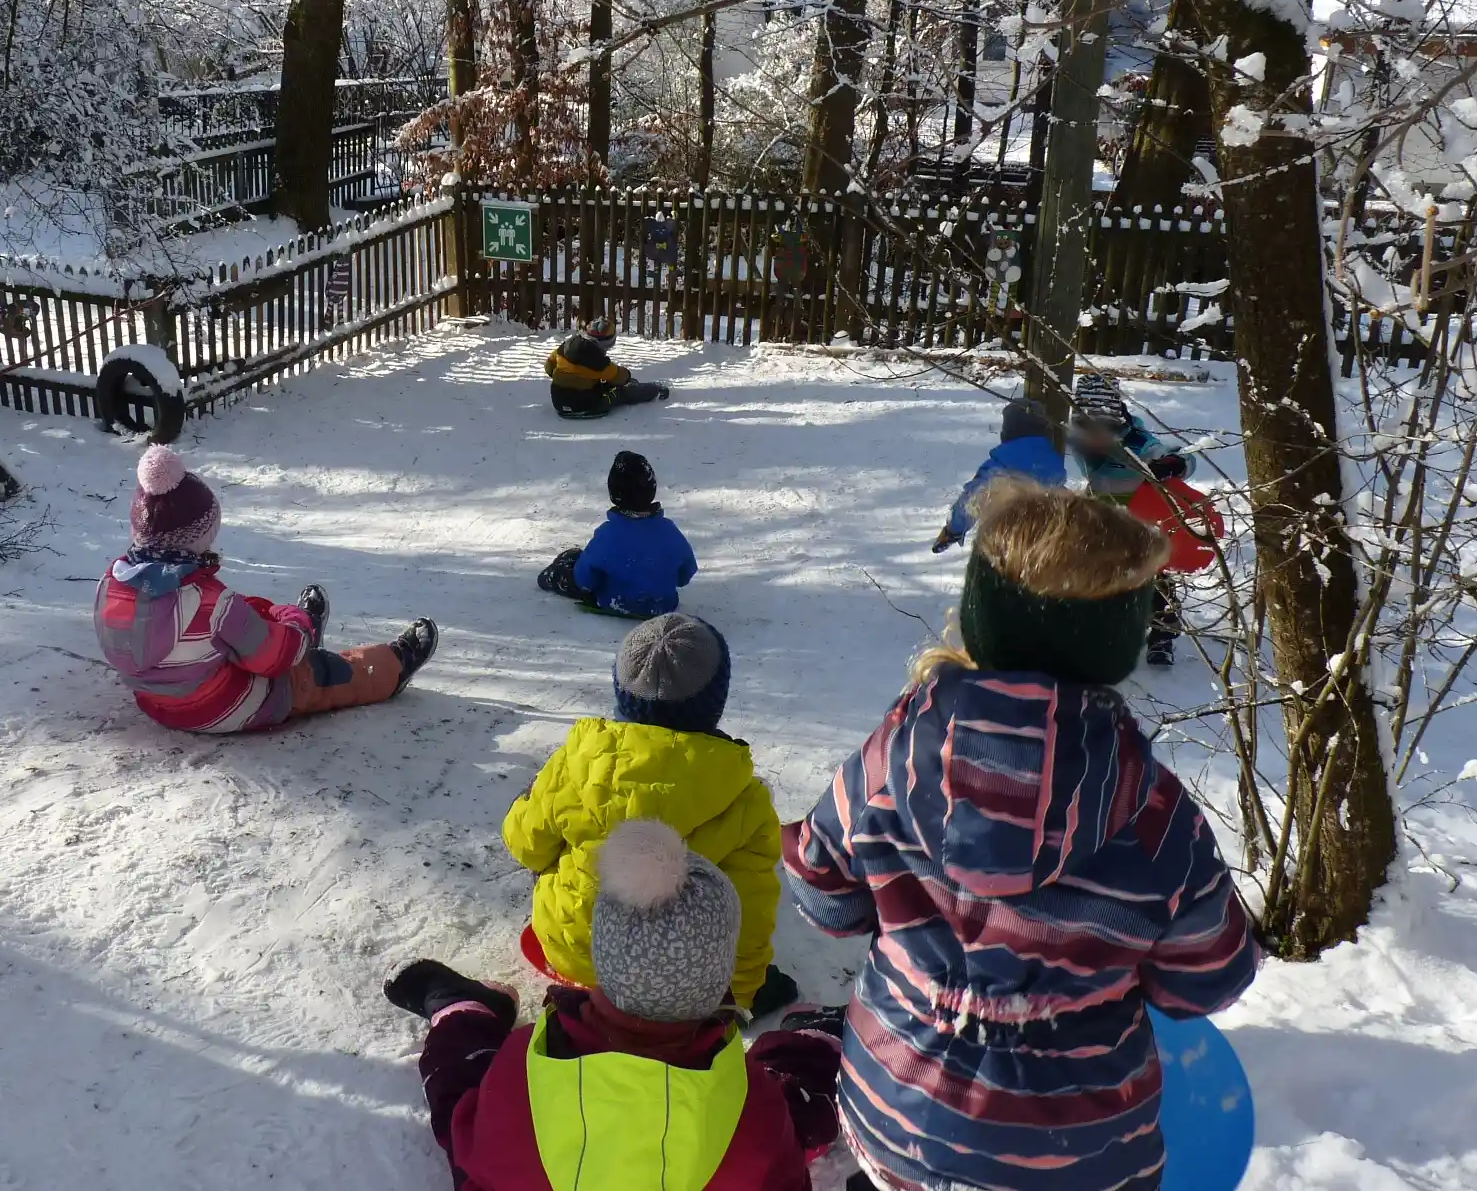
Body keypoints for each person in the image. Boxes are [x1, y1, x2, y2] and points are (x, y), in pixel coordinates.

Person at [782, 478, 1259, 1191]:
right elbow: (1208, 979)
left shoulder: (900, 753)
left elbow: (821, 888)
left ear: (982, 615)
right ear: (1118, 641)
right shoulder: (1156, 816)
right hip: (1075, 1157)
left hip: (895, 1116)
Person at [385, 820, 844, 1191]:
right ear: (720, 974)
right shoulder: (750, 1105)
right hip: (743, 1122)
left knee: (461, 1100)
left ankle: (462, 1013)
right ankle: (818, 1039)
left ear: (601, 958)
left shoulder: (527, 1062)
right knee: (798, 1115)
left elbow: (480, 1149)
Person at [503, 614, 799, 1015]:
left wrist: (530, 800)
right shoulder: (742, 796)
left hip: (572, 950)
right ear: (715, 702)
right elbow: (748, 912)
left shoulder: (574, 762)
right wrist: (743, 992)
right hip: (676, 980)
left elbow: (526, 848)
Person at [94, 445, 437, 732]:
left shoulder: (112, 581)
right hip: (225, 708)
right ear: (196, 540)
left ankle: (292, 634)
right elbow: (275, 660)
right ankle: (390, 666)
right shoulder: (211, 603)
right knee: (312, 674)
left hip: (158, 702)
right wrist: (295, 623)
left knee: (233, 619)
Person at [1068, 373, 1198, 665]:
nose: (1097, 434)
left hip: (1142, 519)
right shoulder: (1079, 439)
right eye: (1089, 426)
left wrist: (1174, 464)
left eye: (1105, 426)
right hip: (1101, 515)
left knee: (1153, 577)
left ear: (1118, 419)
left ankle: (1162, 636)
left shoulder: (1138, 441)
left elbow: (1184, 458)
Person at [537, 451, 697, 618]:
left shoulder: (608, 535)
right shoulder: (670, 531)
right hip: (663, 604)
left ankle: (549, 577)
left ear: (614, 493)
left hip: (615, 601)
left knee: (572, 559)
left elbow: (585, 580)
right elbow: (685, 574)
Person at [931, 397, 1067, 553]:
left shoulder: (997, 470)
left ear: (1007, 433)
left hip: (1006, 547)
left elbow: (971, 501)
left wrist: (953, 530)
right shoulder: (1053, 472)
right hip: (1047, 550)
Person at [545, 316, 670, 418]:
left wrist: (569, 377)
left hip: (558, 400)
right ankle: (655, 390)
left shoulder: (566, 345)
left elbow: (548, 367)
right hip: (585, 405)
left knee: (600, 383)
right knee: (621, 390)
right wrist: (626, 375)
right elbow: (621, 377)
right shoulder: (599, 362)